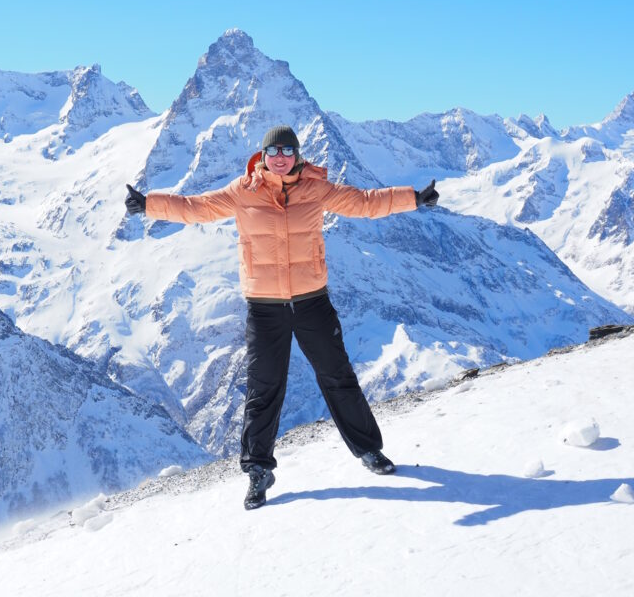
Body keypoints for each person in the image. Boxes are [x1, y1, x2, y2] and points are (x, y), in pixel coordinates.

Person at [124, 125, 439, 510]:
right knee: (263, 389)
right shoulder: (244, 192)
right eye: (273, 151)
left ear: (298, 155)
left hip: (312, 302)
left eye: (287, 151)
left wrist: (414, 199)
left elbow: (364, 202)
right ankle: (258, 471)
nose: (280, 157)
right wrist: (149, 205)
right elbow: (197, 207)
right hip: (265, 308)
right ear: (263, 156)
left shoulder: (316, 188)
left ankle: (369, 451)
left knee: (338, 376)